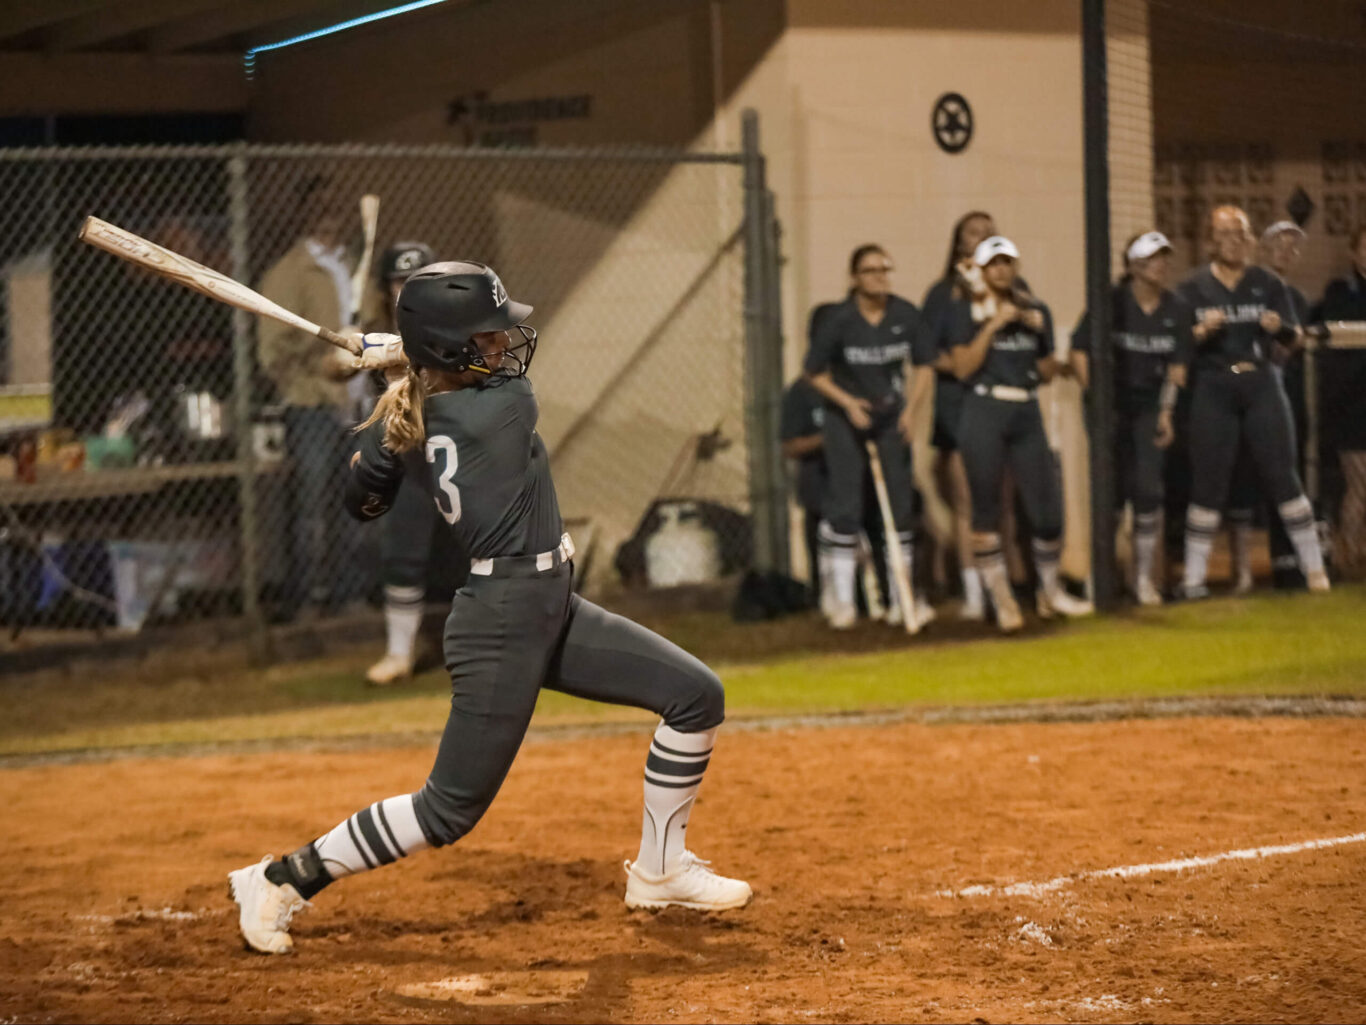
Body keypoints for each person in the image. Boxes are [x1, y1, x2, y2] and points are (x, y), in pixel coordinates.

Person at [228, 261, 751, 954]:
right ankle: (282, 877)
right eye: (485, 336)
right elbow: (469, 409)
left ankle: (659, 869)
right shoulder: (502, 405)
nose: (503, 345)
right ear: (447, 349)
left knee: (694, 695)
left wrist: (400, 370)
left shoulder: (412, 420)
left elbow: (362, 496)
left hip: (547, 600)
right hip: (503, 616)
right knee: (446, 810)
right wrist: (404, 362)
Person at [1173, 205, 1329, 598]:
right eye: (1225, 234)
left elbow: (1294, 340)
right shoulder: (1192, 289)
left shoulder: (1267, 282)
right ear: (1210, 241)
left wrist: (1282, 329)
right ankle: (1194, 579)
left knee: (1282, 474)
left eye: (1241, 234)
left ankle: (1315, 571)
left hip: (1261, 381)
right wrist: (1197, 332)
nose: (1235, 242)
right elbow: (1178, 348)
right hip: (1213, 384)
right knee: (1209, 482)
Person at [947, 236, 1094, 631]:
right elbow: (961, 368)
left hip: (1025, 407)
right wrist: (995, 325)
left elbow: (1045, 371)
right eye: (993, 263)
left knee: (1046, 509)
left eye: (1007, 262)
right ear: (980, 268)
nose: (1002, 270)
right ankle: (1002, 600)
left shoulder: (1034, 306)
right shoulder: (966, 311)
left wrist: (1042, 332)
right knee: (986, 507)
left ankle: (1049, 592)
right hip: (984, 407)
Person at [803, 244, 935, 630]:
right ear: (855, 278)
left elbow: (924, 365)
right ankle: (842, 602)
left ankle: (903, 598)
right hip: (846, 417)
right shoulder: (839, 320)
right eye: (870, 270)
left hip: (890, 415)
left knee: (898, 506)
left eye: (884, 269)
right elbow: (814, 371)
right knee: (846, 505)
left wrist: (911, 411)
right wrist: (848, 404)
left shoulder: (904, 314)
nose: (879, 276)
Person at [912, 211, 1030, 620]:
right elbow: (929, 353)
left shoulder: (1012, 290)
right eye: (972, 234)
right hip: (960, 405)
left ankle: (1009, 588)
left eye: (989, 233)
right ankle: (974, 591)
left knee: (1003, 501)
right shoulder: (944, 294)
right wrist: (967, 361)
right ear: (959, 244)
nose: (982, 239)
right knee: (968, 501)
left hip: (1006, 405)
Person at [357, 241, 463, 686]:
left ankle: (516, 646)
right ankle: (399, 654)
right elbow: (332, 369)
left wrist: (403, 357)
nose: (406, 290)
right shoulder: (377, 329)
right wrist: (352, 352)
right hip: (410, 460)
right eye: (399, 282)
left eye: (417, 280)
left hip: (460, 455)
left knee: (486, 552)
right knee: (403, 550)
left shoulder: (458, 326)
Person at [1071, 231, 1190, 605]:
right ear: (1134, 264)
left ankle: (1141, 579)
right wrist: (1096, 398)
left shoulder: (1176, 308)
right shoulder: (1111, 303)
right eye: (1153, 258)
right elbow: (1079, 351)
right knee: (1111, 494)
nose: (1161, 265)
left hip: (1149, 406)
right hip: (1112, 407)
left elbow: (1178, 366)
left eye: (1163, 258)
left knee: (1148, 490)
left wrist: (1167, 412)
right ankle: (1102, 578)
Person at [256, 203, 360, 615]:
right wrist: (323, 362)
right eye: (320, 203)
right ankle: (305, 599)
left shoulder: (352, 267)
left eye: (335, 204)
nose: (329, 214)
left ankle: (347, 594)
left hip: (357, 404)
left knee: (354, 505)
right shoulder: (286, 275)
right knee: (311, 506)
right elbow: (273, 352)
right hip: (312, 404)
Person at [1224, 221, 1312, 592]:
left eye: (1293, 247)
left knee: (1287, 479)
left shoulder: (1297, 299)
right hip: (1245, 396)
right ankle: (1242, 568)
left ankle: (1295, 563)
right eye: (1278, 244)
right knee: (1241, 480)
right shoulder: (1240, 289)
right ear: (1261, 247)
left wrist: (1285, 337)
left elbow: (1294, 343)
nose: (1285, 252)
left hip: (1285, 397)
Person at [1317, 224, 1366, 574]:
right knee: (1359, 483)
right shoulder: (1340, 291)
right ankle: (1346, 556)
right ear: (1354, 252)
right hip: (1352, 405)